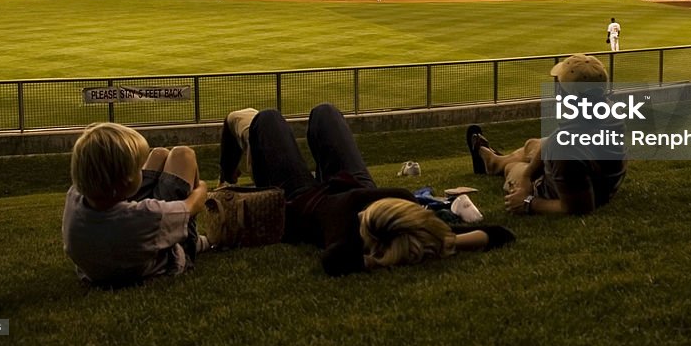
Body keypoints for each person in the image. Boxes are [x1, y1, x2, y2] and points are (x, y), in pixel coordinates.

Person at [220, 104, 514, 276]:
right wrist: (440, 242)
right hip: (352, 182)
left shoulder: (349, 233)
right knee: (325, 113)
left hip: (303, 199)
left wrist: (393, 254)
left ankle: (226, 177)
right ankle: (230, 170)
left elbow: (332, 262)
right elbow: (501, 234)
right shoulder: (407, 211)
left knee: (267, 119)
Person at [467, 54, 627, 217]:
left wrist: (528, 203)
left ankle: (497, 164)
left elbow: (578, 208)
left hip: (563, 190)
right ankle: (495, 161)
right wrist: (529, 174)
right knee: (532, 144)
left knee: (513, 169)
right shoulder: (610, 109)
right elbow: (553, 141)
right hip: (600, 175)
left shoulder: (566, 146)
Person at [62, 122, 209, 287]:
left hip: (114, 250)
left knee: (159, 154)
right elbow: (192, 205)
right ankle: (195, 242)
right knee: (184, 154)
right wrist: (202, 187)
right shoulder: (147, 216)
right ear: (127, 180)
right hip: (164, 258)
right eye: (137, 167)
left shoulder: (74, 199)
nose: (140, 169)